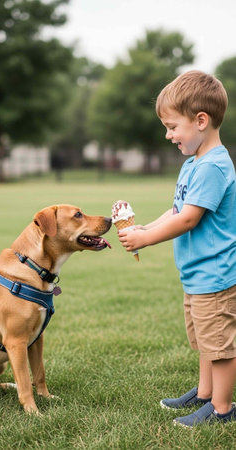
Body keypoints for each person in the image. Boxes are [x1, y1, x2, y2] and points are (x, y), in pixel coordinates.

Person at [118, 70, 236, 427]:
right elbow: (176, 210)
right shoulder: (192, 164)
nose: (168, 135)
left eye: (172, 126)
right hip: (197, 273)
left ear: (201, 121)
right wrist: (146, 227)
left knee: (219, 347)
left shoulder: (214, 166)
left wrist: (145, 240)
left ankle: (222, 408)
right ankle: (204, 394)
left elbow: (188, 220)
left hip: (215, 275)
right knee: (203, 340)